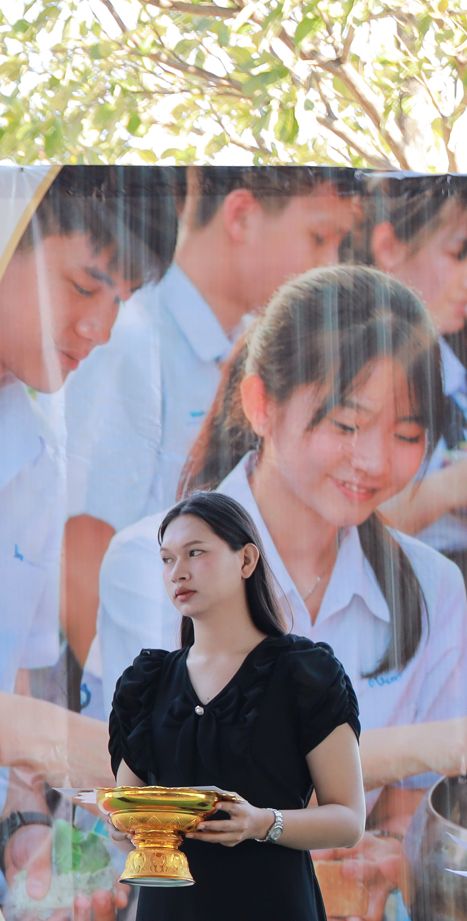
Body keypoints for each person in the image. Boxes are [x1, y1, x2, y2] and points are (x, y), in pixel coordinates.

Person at [95, 265, 467, 921]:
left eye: (406, 434)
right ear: (261, 403)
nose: (375, 461)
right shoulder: (153, 564)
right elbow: (170, 793)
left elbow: (412, 809)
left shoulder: (432, 589)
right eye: (347, 425)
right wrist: (423, 747)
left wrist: (382, 858)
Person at [0, 166, 174, 921]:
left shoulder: (37, 459)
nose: (98, 329)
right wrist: (91, 754)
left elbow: (5, 692)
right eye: (85, 285)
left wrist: (25, 832)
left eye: (122, 301)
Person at [108, 490, 365, 921]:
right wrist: (123, 819)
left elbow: (348, 817)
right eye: (168, 558)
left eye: (196, 553)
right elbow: (127, 809)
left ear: (246, 559)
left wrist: (262, 823)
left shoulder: (304, 672)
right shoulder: (147, 682)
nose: (178, 572)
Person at [64, 167, 362, 690]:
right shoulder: (132, 340)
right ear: (241, 215)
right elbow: (85, 550)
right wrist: (142, 706)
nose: (330, 263)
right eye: (319, 237)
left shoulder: (252, 348)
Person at [357, 174, 467, 578]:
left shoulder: (450, 366)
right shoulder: (352, 367)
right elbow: (336, 529)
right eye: (459, 253)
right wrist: (448, 488)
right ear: (389, 247)